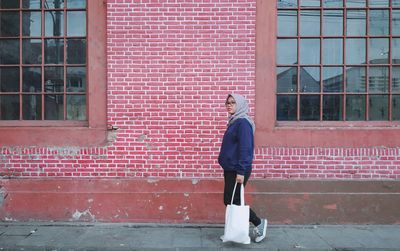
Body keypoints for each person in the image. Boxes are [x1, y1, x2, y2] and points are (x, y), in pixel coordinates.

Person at [218, 93, 267, 243]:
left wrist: (241, 171)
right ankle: (234, 232)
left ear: (240, 105)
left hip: (238, 169)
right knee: (231, 200)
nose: (229, 105)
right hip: (231, 168)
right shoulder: (234, 122)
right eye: (227, 103)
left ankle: (259, 223)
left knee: (234, 200)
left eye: (233, 102)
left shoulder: (243, 123)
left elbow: (246, 149)